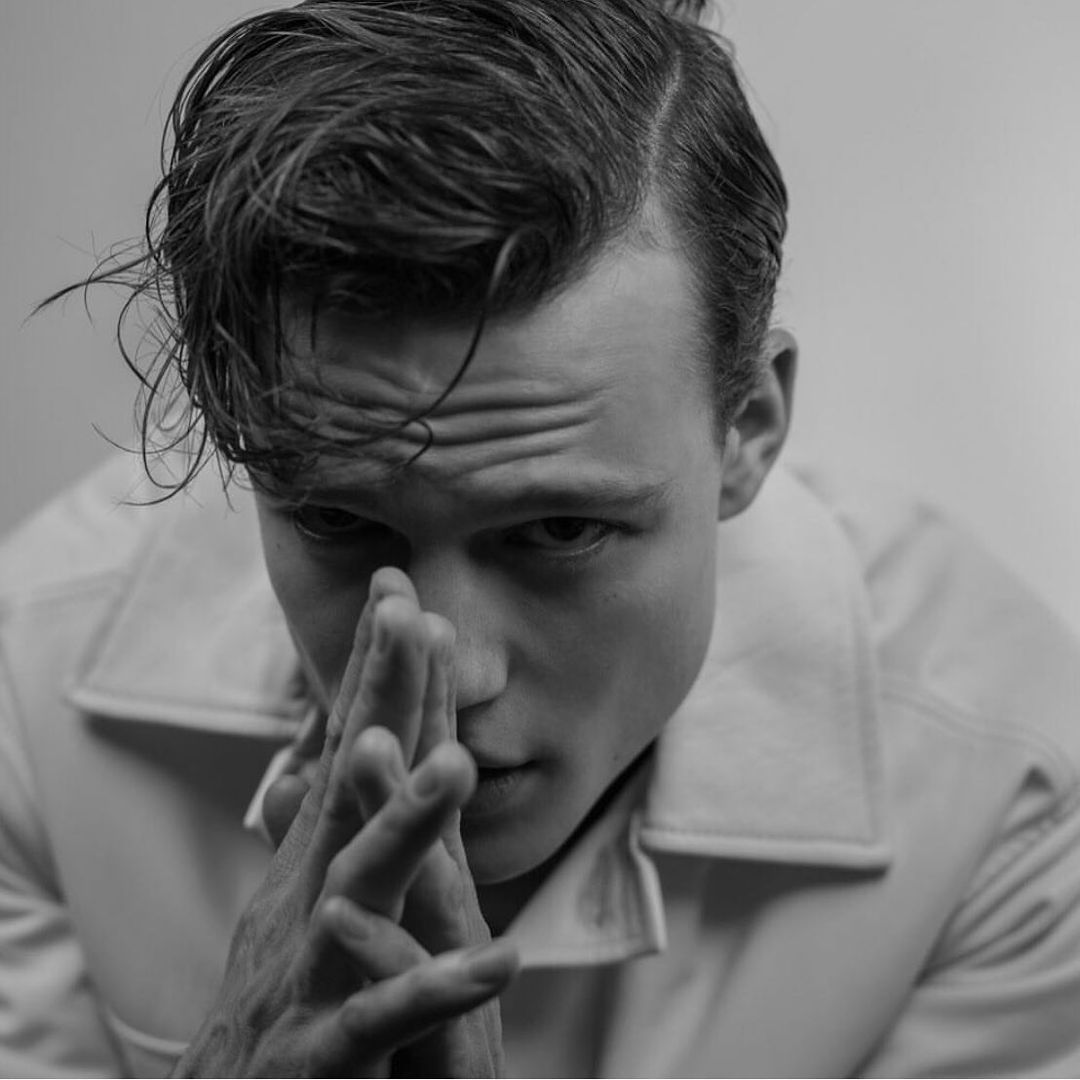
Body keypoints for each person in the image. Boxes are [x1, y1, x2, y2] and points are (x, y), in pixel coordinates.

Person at [2, 0, 1080, 1075]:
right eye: (337, 520)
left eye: (560, 530)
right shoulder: (30, 692)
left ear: (748, 425)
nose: (454, 671)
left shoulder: (1007, 796)